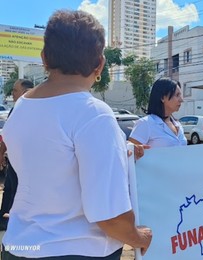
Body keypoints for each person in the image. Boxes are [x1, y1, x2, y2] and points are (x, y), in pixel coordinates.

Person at [1, 10, 151, 259]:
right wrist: (139, 236)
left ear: (44, 58)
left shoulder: (20, 109)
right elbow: (109, 216)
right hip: (78, 251)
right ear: (100, 64)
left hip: (19, 247)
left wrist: (120, 153)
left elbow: (51, 163)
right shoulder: (94, 114)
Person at [0, 79, 34, 230]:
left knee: (17, 191)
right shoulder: (18, 108)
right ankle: (4, 219)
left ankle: (11, 221)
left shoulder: (27, 107)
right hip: (17, 159)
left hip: (26, 161)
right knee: (9, 189)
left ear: (25, 91)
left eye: (15, 90)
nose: (12, 94)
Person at [129, 77, 187, 148]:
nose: (181, 100)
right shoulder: (145, 123)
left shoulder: (177, 124)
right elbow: (132, 153)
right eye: (177, 95)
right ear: (162, 98)